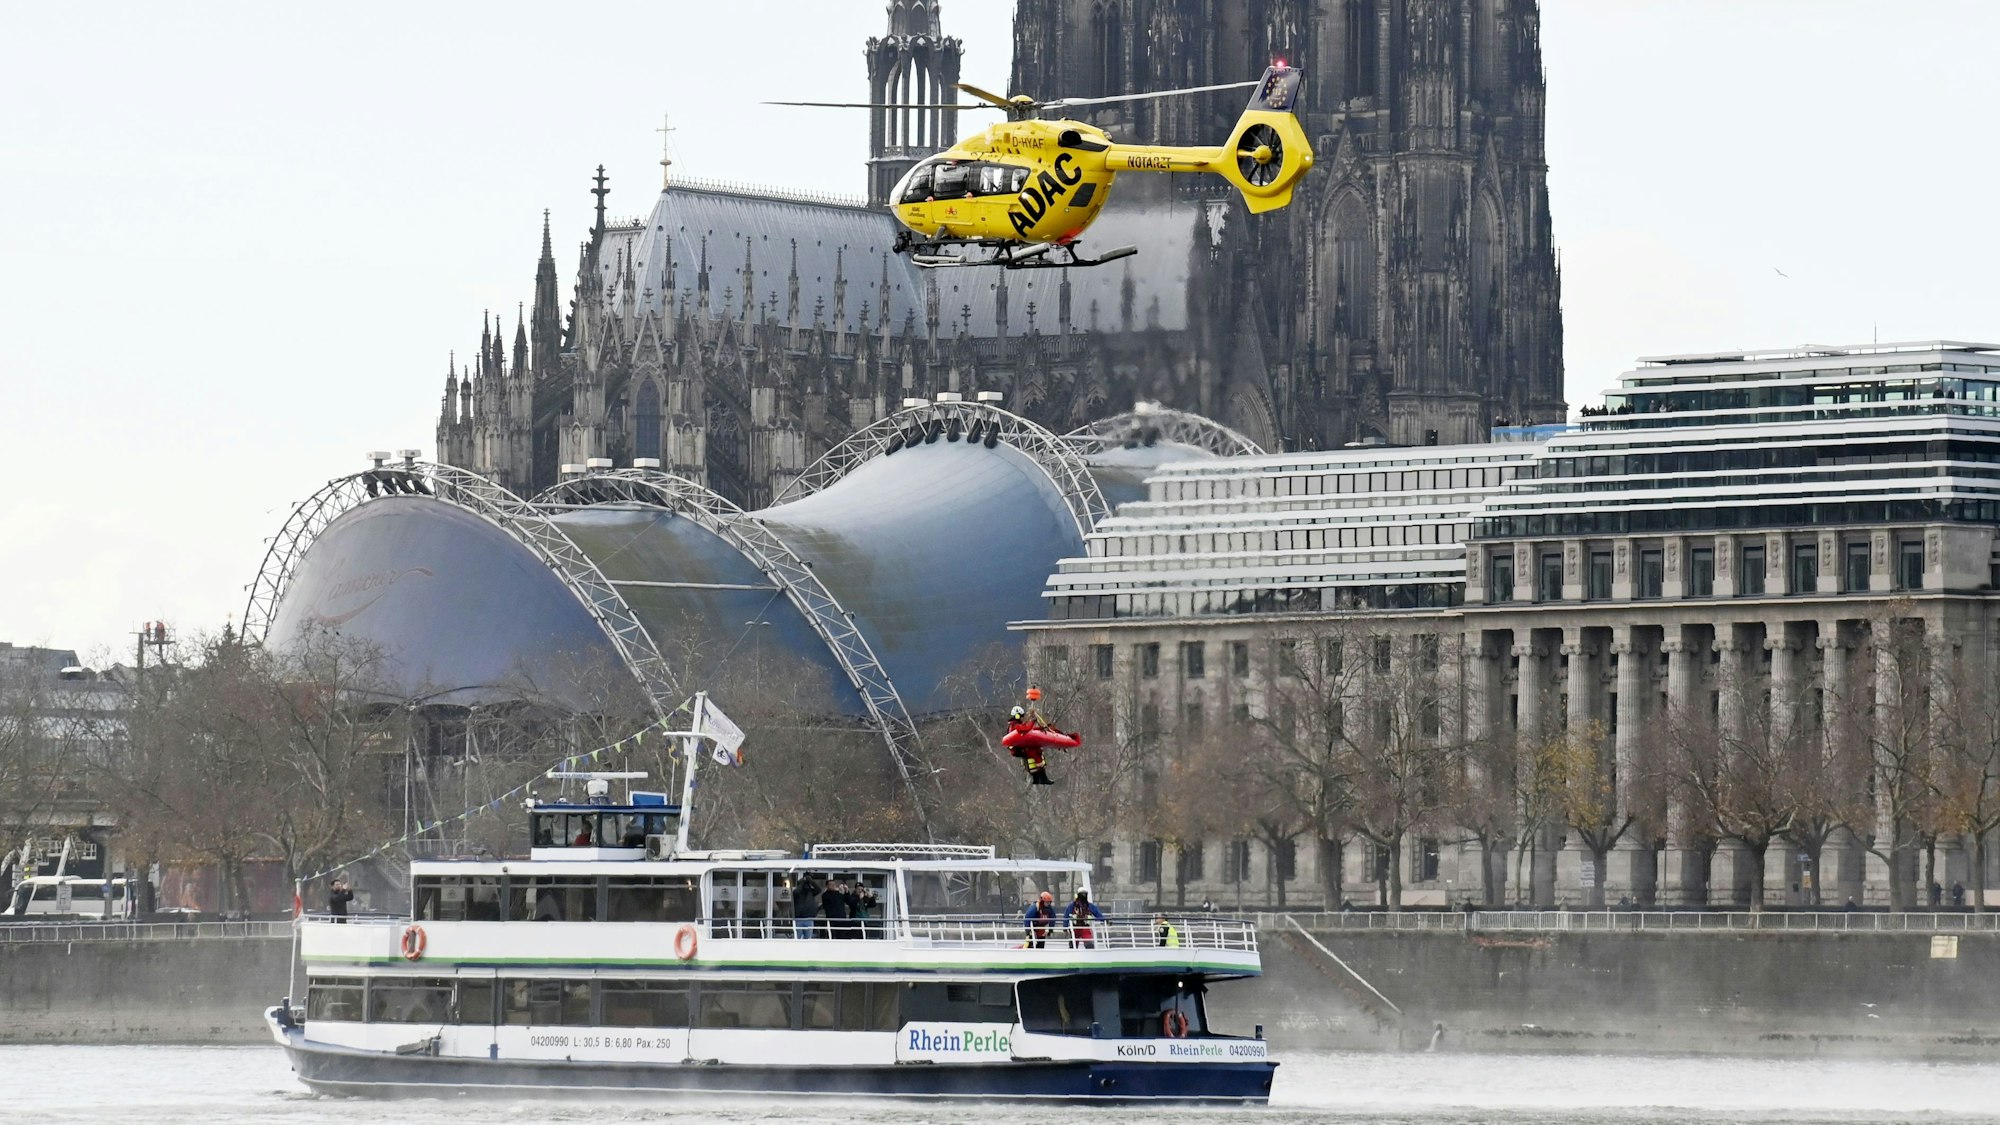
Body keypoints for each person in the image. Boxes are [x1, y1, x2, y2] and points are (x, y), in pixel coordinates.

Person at [791, 874, 821, 939]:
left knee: (808, 939)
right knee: (797, 938)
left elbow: (818, 890)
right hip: (799, 919)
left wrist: (811, 881)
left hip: (809, 918)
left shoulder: (810, 892)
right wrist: (802, 882)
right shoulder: (797, 893)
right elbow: (796, 892)